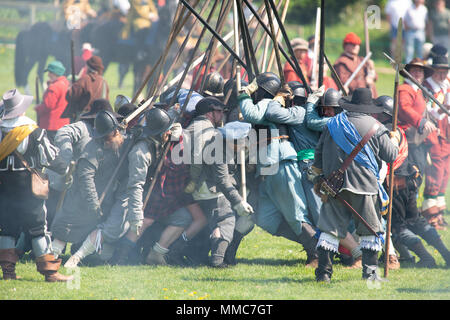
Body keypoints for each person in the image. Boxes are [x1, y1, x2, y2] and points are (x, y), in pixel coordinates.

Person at [312, 88, 399, 283]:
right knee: (371, 230)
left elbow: (318, 154)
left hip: (334, 186)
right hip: (365, 187)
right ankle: (370, 276)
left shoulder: (333, 123)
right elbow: (391, 156)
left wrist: (319, 179)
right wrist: (393, 139)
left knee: (329, 230)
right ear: (369, 108)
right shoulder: (376, 127)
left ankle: (324, 274)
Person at [238, 73, 320, 267]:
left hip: (280, 161)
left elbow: (251, 114)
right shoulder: (271, 103)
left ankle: (317, 254)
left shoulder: (268, 103)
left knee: (296, 214)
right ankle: (316, 244)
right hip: (269, 166)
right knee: (265, 217)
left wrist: (243, 94)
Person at [0, 88, 72, 282]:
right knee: (38, 227)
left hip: (4, 187)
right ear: (21, 110)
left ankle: (8, 272)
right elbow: (50, 156)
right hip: (28, 189)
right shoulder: (33, 131)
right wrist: (65, 169)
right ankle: (50, 272)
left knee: (8, 227)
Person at [375, 95, 450, 268]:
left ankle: (426, 258)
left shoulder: (385, 133)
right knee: (416, 221)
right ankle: (445, 254)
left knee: (397, 228)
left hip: (395, 185)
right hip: (408, 182)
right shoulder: (396, 130)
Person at [182, 97, 254, 267]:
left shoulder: (191, 128)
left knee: (214, 222)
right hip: (208, 187)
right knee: (226, 221)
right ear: (210, 113)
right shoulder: (212, 136)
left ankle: (198, 256)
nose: (223, 115)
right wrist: (238, 201)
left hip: (194, 187)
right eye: (220, 111)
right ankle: (217, 260)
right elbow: (221, 177)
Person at [50, 110, 127, 263]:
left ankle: (77, 258)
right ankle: (49, 260)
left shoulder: (116, 144)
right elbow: (86, 180)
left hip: (103, 200)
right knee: (64, 231)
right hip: (81, 200)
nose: (119, 134)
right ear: (107, 136)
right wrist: (93, 204)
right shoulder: (91, 150)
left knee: (100, 230)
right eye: (115, 132)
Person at [422, 55, 450, 230]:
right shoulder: (427, 86)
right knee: (436, 169)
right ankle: (429, 213)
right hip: (435, 129)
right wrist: (442, 109)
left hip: (447, 129)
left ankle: (439, 211)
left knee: (445, 171)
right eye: (439, 71)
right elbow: (427, 109)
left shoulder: (446, 84)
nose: (442, 75)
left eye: (444, 71)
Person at [63, 56, 109, 123]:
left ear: (88, 67)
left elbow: (70, 96)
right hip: (99, 119)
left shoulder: (84, 80)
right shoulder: (104, 82)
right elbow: (106, 102)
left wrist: (71, 87)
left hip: (84, 118)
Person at [34, 60, 70, 141]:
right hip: (63, 124)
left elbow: (47, 106)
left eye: (49, 72)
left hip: (51, 125)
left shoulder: (53, 88)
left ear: (53, 73)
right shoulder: (66, 84)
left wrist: (37, 108)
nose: (48, 74)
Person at [333, 32, 377, 97]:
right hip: (353, 98)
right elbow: (345, 83)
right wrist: (365, 81)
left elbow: (375, 77)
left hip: (369, 96)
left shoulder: (362, 60)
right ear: (346, 45)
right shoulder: (341, 63)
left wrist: (372, 69)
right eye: (353, 44)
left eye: (358, 44)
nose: (356, 46)